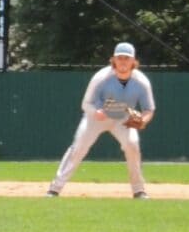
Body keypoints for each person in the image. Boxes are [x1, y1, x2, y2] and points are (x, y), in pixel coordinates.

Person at [47, 42, 156, 199]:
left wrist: (143, 121)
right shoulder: (101, 77)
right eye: (120, 58)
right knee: (78, 148)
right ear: (113, 60)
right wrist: (95, 112)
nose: (123, 61)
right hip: (97, 117)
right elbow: (85, 103)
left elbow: (149, 109)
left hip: (123, 118)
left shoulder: (142, 81)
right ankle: (55, 188)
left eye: (127, 58)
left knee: (132, 144)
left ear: (134, 61)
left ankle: (139, 190)